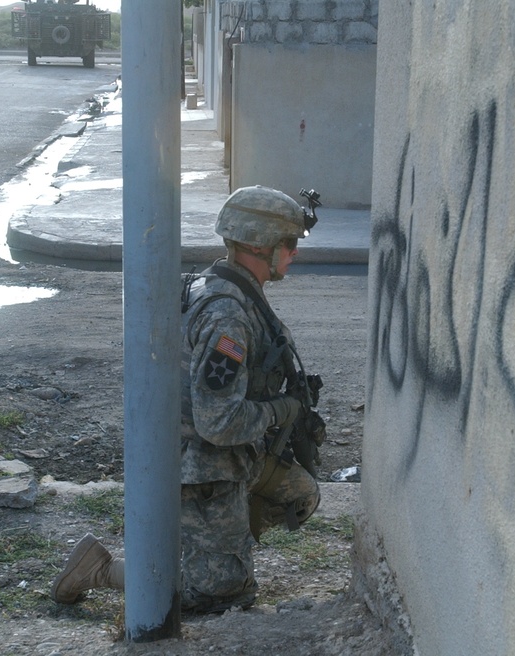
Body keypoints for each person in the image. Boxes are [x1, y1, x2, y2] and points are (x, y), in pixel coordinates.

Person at [50, 185, 323, 614]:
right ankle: (103, 570)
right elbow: (218, 421)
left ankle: (210, 547)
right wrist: (278, 411)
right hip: (204, 467)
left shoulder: (226, 286)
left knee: (300, 493)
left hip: (231, 459)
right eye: (288, 243)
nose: (295, 253)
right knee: (222, 597)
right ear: (258, 243)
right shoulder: (228, 316)